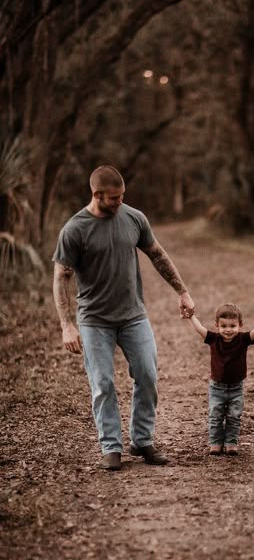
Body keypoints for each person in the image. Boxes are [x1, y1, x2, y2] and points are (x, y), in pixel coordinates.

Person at [52, 165, 195, 471]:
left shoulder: (133, 218)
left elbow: (157, 254)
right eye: (113, 198)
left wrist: (182, 291)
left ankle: (142, 441)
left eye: (122, 197)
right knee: (102, 382)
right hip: (94, 320)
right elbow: (61, 277)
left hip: (133, 316)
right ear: (96, 195)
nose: (119, 203)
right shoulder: (75, 229)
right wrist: (67, 325)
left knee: (147, 375)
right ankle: (111, 446)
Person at [188, 303, 254, 456]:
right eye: (224, 326)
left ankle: (231, 442)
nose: (228, 330)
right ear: (217, 326)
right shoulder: (214, 339)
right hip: (216, 387)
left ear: (240, 325)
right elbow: (199, 329)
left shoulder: (243, 339)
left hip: (236, 388)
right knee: (215, 416)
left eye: (232, 326)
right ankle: (215, 443)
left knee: (234, 416)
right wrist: (191, 316)